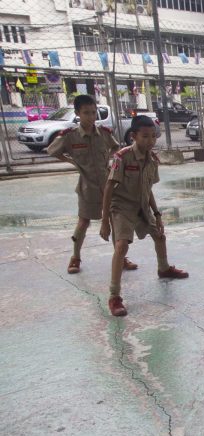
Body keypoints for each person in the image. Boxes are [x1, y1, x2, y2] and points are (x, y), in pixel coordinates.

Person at [99, 116, 189, 317]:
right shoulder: (122, 157)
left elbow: (147, 190)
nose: (150, 141)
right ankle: (114, 296)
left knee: (160, 236)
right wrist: (105, 221)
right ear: (134, 136)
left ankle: (164, 268)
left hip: (142, 206)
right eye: (145, 136)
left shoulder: (152, 160)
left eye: (153, 137)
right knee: (122, 245)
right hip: (121, 207)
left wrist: (156, 214)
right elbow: (108, 187)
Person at [47, 94, 138, 274]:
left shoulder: (103, 134)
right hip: (87, 187)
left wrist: (112, 161)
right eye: (86, 113)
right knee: (83, 222)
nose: (91, 116)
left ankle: (120, 257)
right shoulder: (71, 136)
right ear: (78, 114)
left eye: (93, 112)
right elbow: (52, 150)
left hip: (108, 184)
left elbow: (115, 148)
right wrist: (72, 162)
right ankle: (75, 257)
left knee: (115, 222)